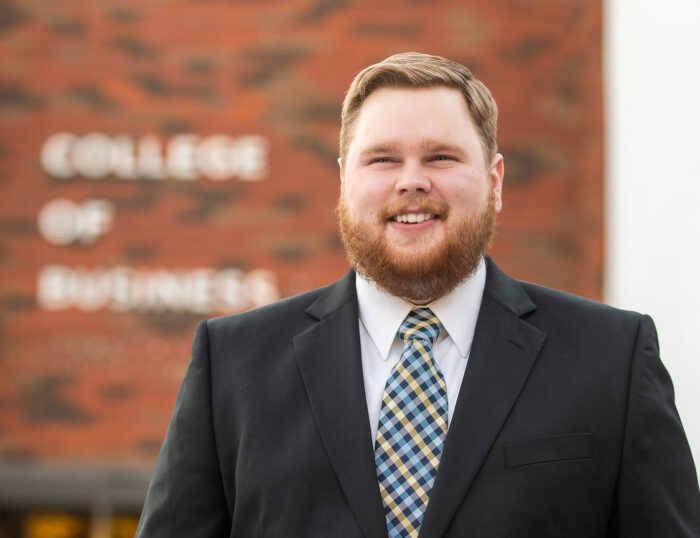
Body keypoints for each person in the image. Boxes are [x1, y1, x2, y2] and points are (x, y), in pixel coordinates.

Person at [135, 52, 700, 537]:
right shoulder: (233, 363)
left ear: (496, 182)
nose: (411, 180)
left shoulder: (613, 359)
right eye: (382, 158)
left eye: (441, 157)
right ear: (343, 182)